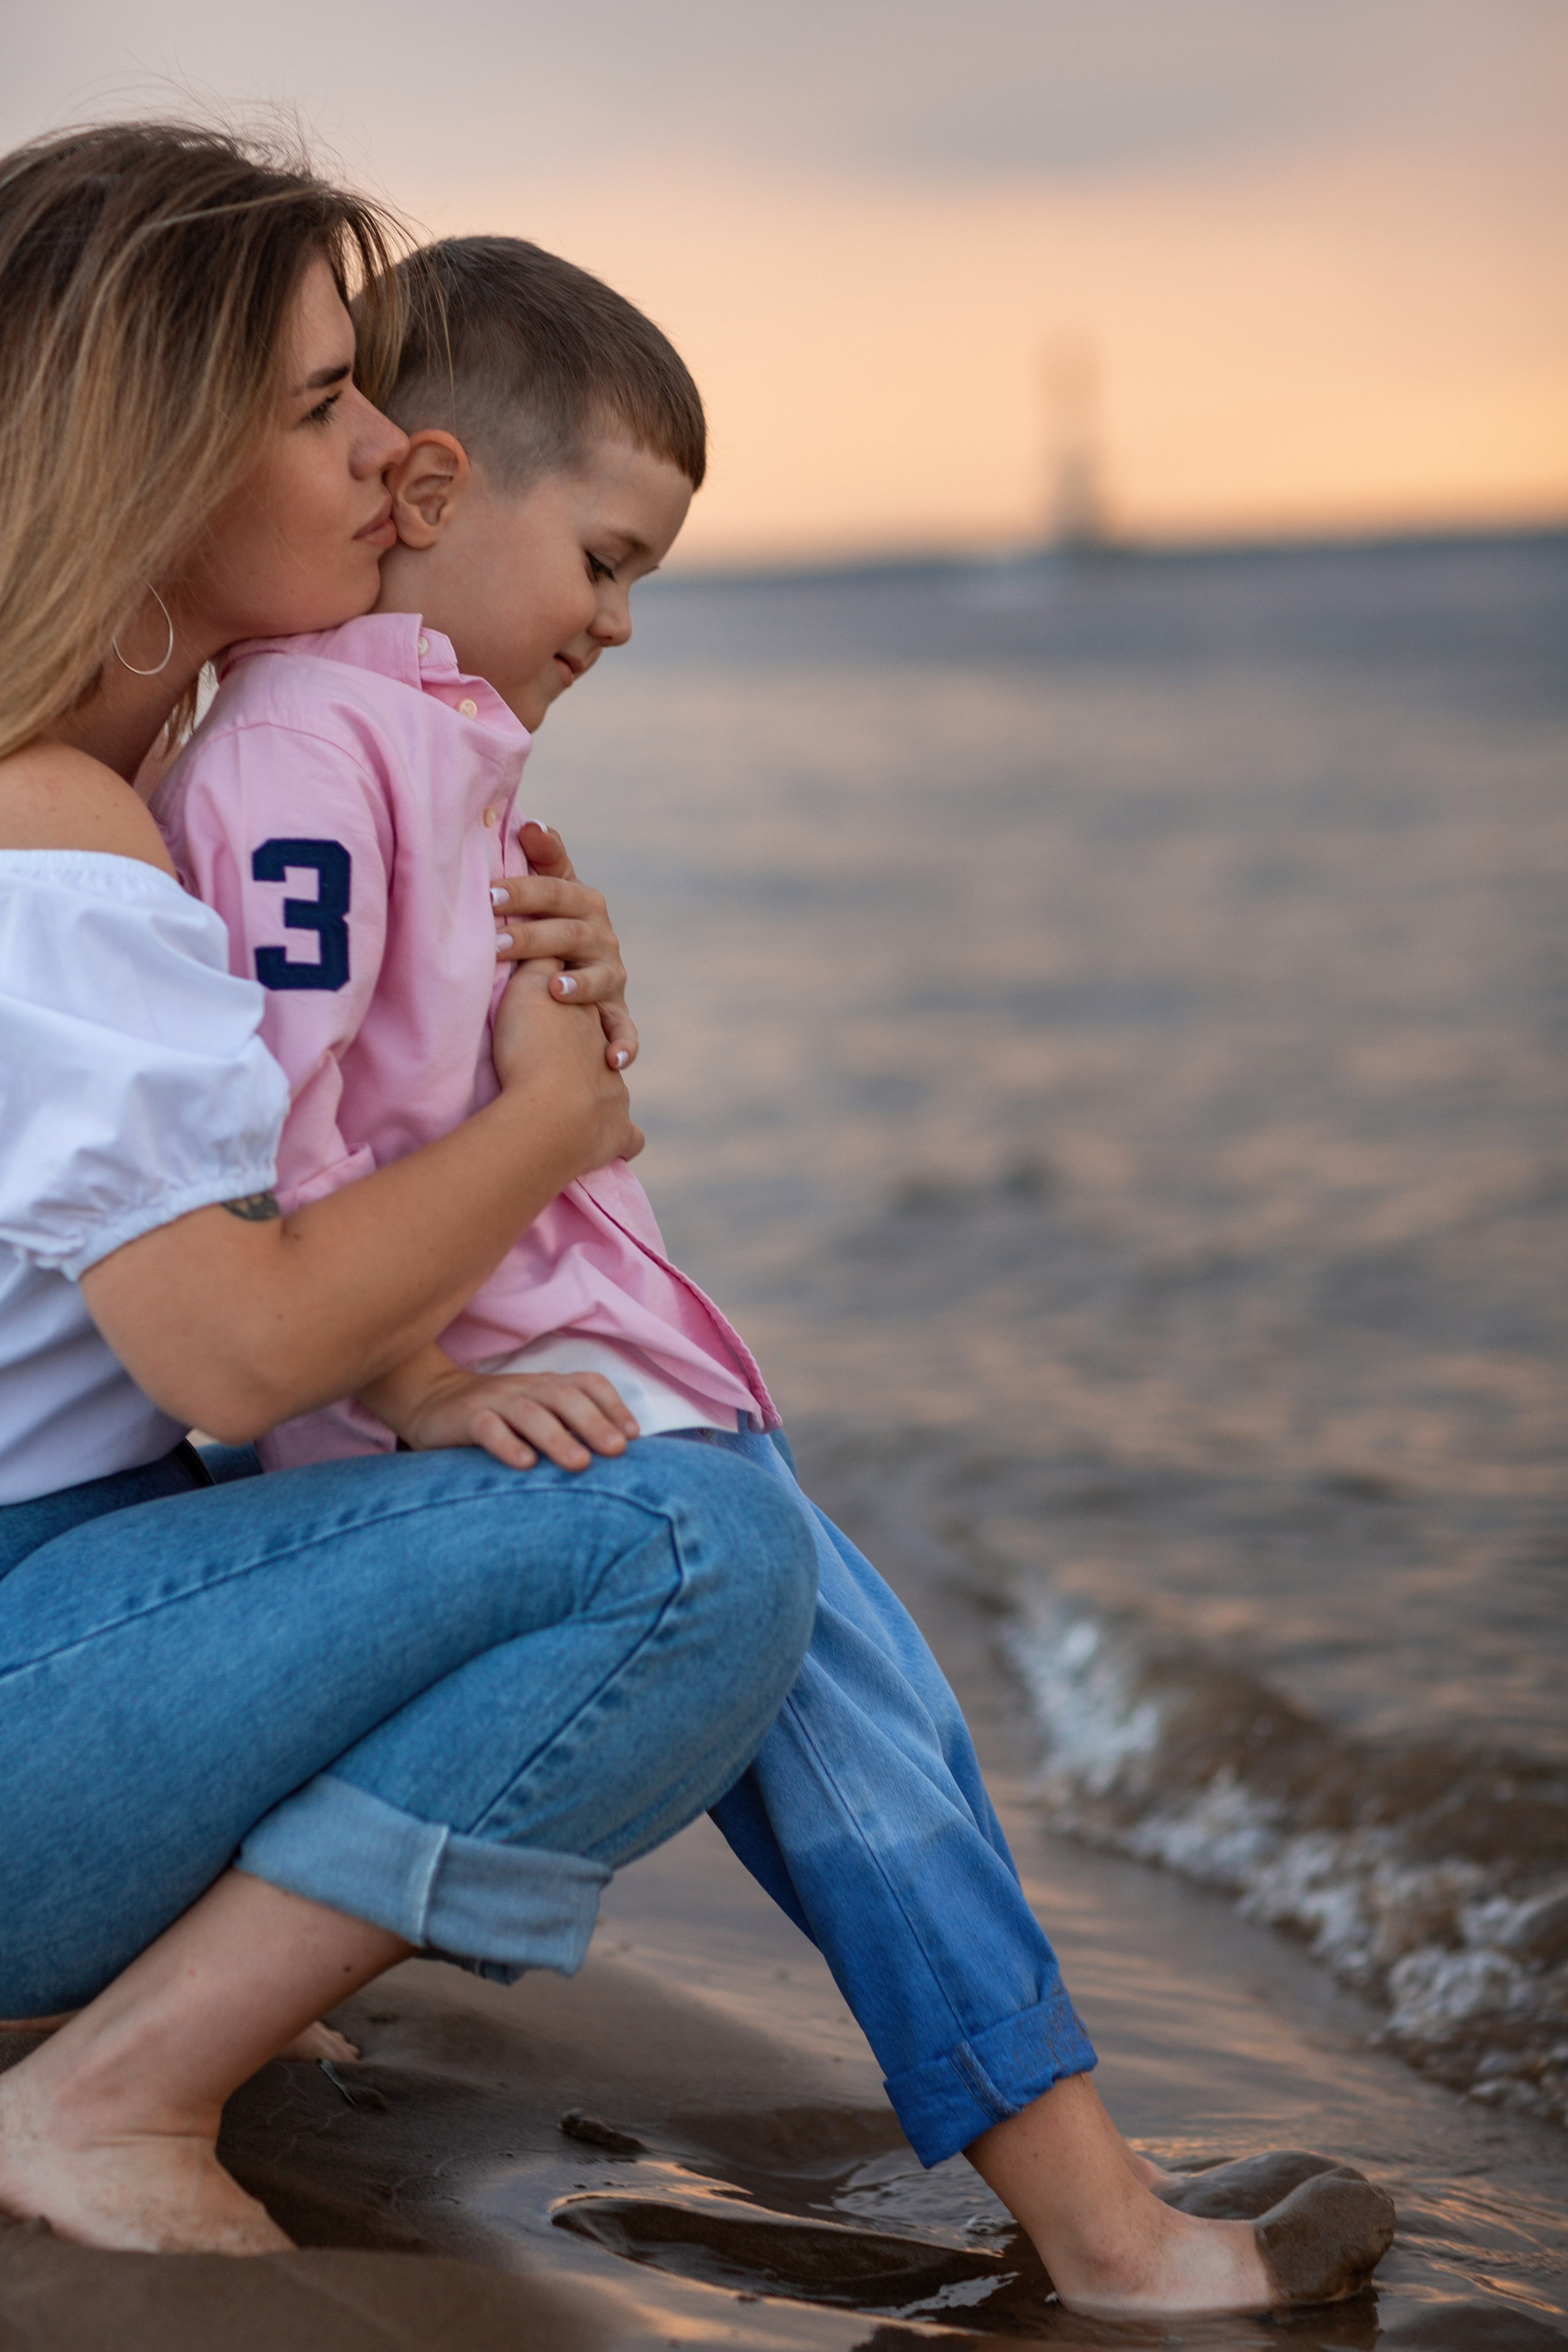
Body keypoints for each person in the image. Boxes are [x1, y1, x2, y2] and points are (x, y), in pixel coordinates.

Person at [149, 233, 1395, 2318]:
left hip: (602, 1386)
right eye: (609, 562)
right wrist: (437, 1379)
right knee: (862, 1745)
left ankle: (1077, 2175)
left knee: (886, 1725)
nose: (622, 624)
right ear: (441, 493)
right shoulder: (305, 758)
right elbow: (262, 1152)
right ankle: (1106, 2231)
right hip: (540, 1405)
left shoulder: (423, 744)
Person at [0, 122, 820, 2261]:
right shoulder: (51, 839)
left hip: (59, 1599)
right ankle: (111, 2094)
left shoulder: (133, 795)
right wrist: (551, 1130)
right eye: (318, 403)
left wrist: (515, 1003)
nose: (393, 445)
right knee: (691, 1537)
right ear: (150, 455)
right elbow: (233, 1341)